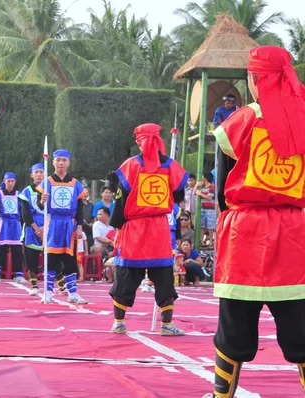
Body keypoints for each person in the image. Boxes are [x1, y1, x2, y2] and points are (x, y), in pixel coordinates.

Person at [203, 46, 305, 398]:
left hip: (244, 234)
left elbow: (221, 186)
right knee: (300, 324)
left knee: (234, 326)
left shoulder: (244, 118)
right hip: (294, 233)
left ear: (256, 78)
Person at [108, 123, 188, 336]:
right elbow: (179, 196)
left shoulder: (131, 165)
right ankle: (167, 325)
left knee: (126, 273)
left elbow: (120, 200)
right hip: (159, 228)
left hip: (133, 227)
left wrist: (117, 227)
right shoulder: (171, 166)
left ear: (139, 141)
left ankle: (119, 322)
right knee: (163, 275)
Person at [36, 149, 89, 304]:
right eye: (58, 160)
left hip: (69, 224)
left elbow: (79, 208)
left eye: (64, 160)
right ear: (53, 162)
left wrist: (79, 226)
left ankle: (72, 293)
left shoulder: (75, 183)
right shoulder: (47, 182)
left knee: (70, 259)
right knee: (51, 258)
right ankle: (48, 292)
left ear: (68, 163)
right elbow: (41, 208)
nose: (60, 163)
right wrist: (42, 201)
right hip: (52, 224)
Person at [0, 172, 25, 283]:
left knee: (16, 249)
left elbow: (22, 210)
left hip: (15, 223)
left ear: (15, 182)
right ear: (4, 181)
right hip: (3, 223)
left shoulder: (19, 194)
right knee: (1, 249)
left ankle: (19, 274)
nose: (10, 183)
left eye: (12, 181)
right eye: (8, 181)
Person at [19, 163, 46, 295]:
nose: (39, 175)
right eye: (37, 172)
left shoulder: (49, 189)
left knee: (52, 255)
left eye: (41, 172)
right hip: (31, 226)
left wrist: (44, 227)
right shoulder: (26, 191)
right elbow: (25, 213)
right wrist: (36, 228)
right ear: (32, 175)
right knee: (31, 257)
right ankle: (34, 284)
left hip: (47, 225)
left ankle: (60, 283)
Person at [194, 172, 216, 246]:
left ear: (205, 179)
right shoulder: (202, 188)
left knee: (210, 227)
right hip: (202, 209)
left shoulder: (212, 187)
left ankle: (211, 242)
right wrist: (196, 185)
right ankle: (202, 242)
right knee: (202, 226)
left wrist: (200, 194)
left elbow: (209, 197)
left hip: (210, 210)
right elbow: (194, 193)